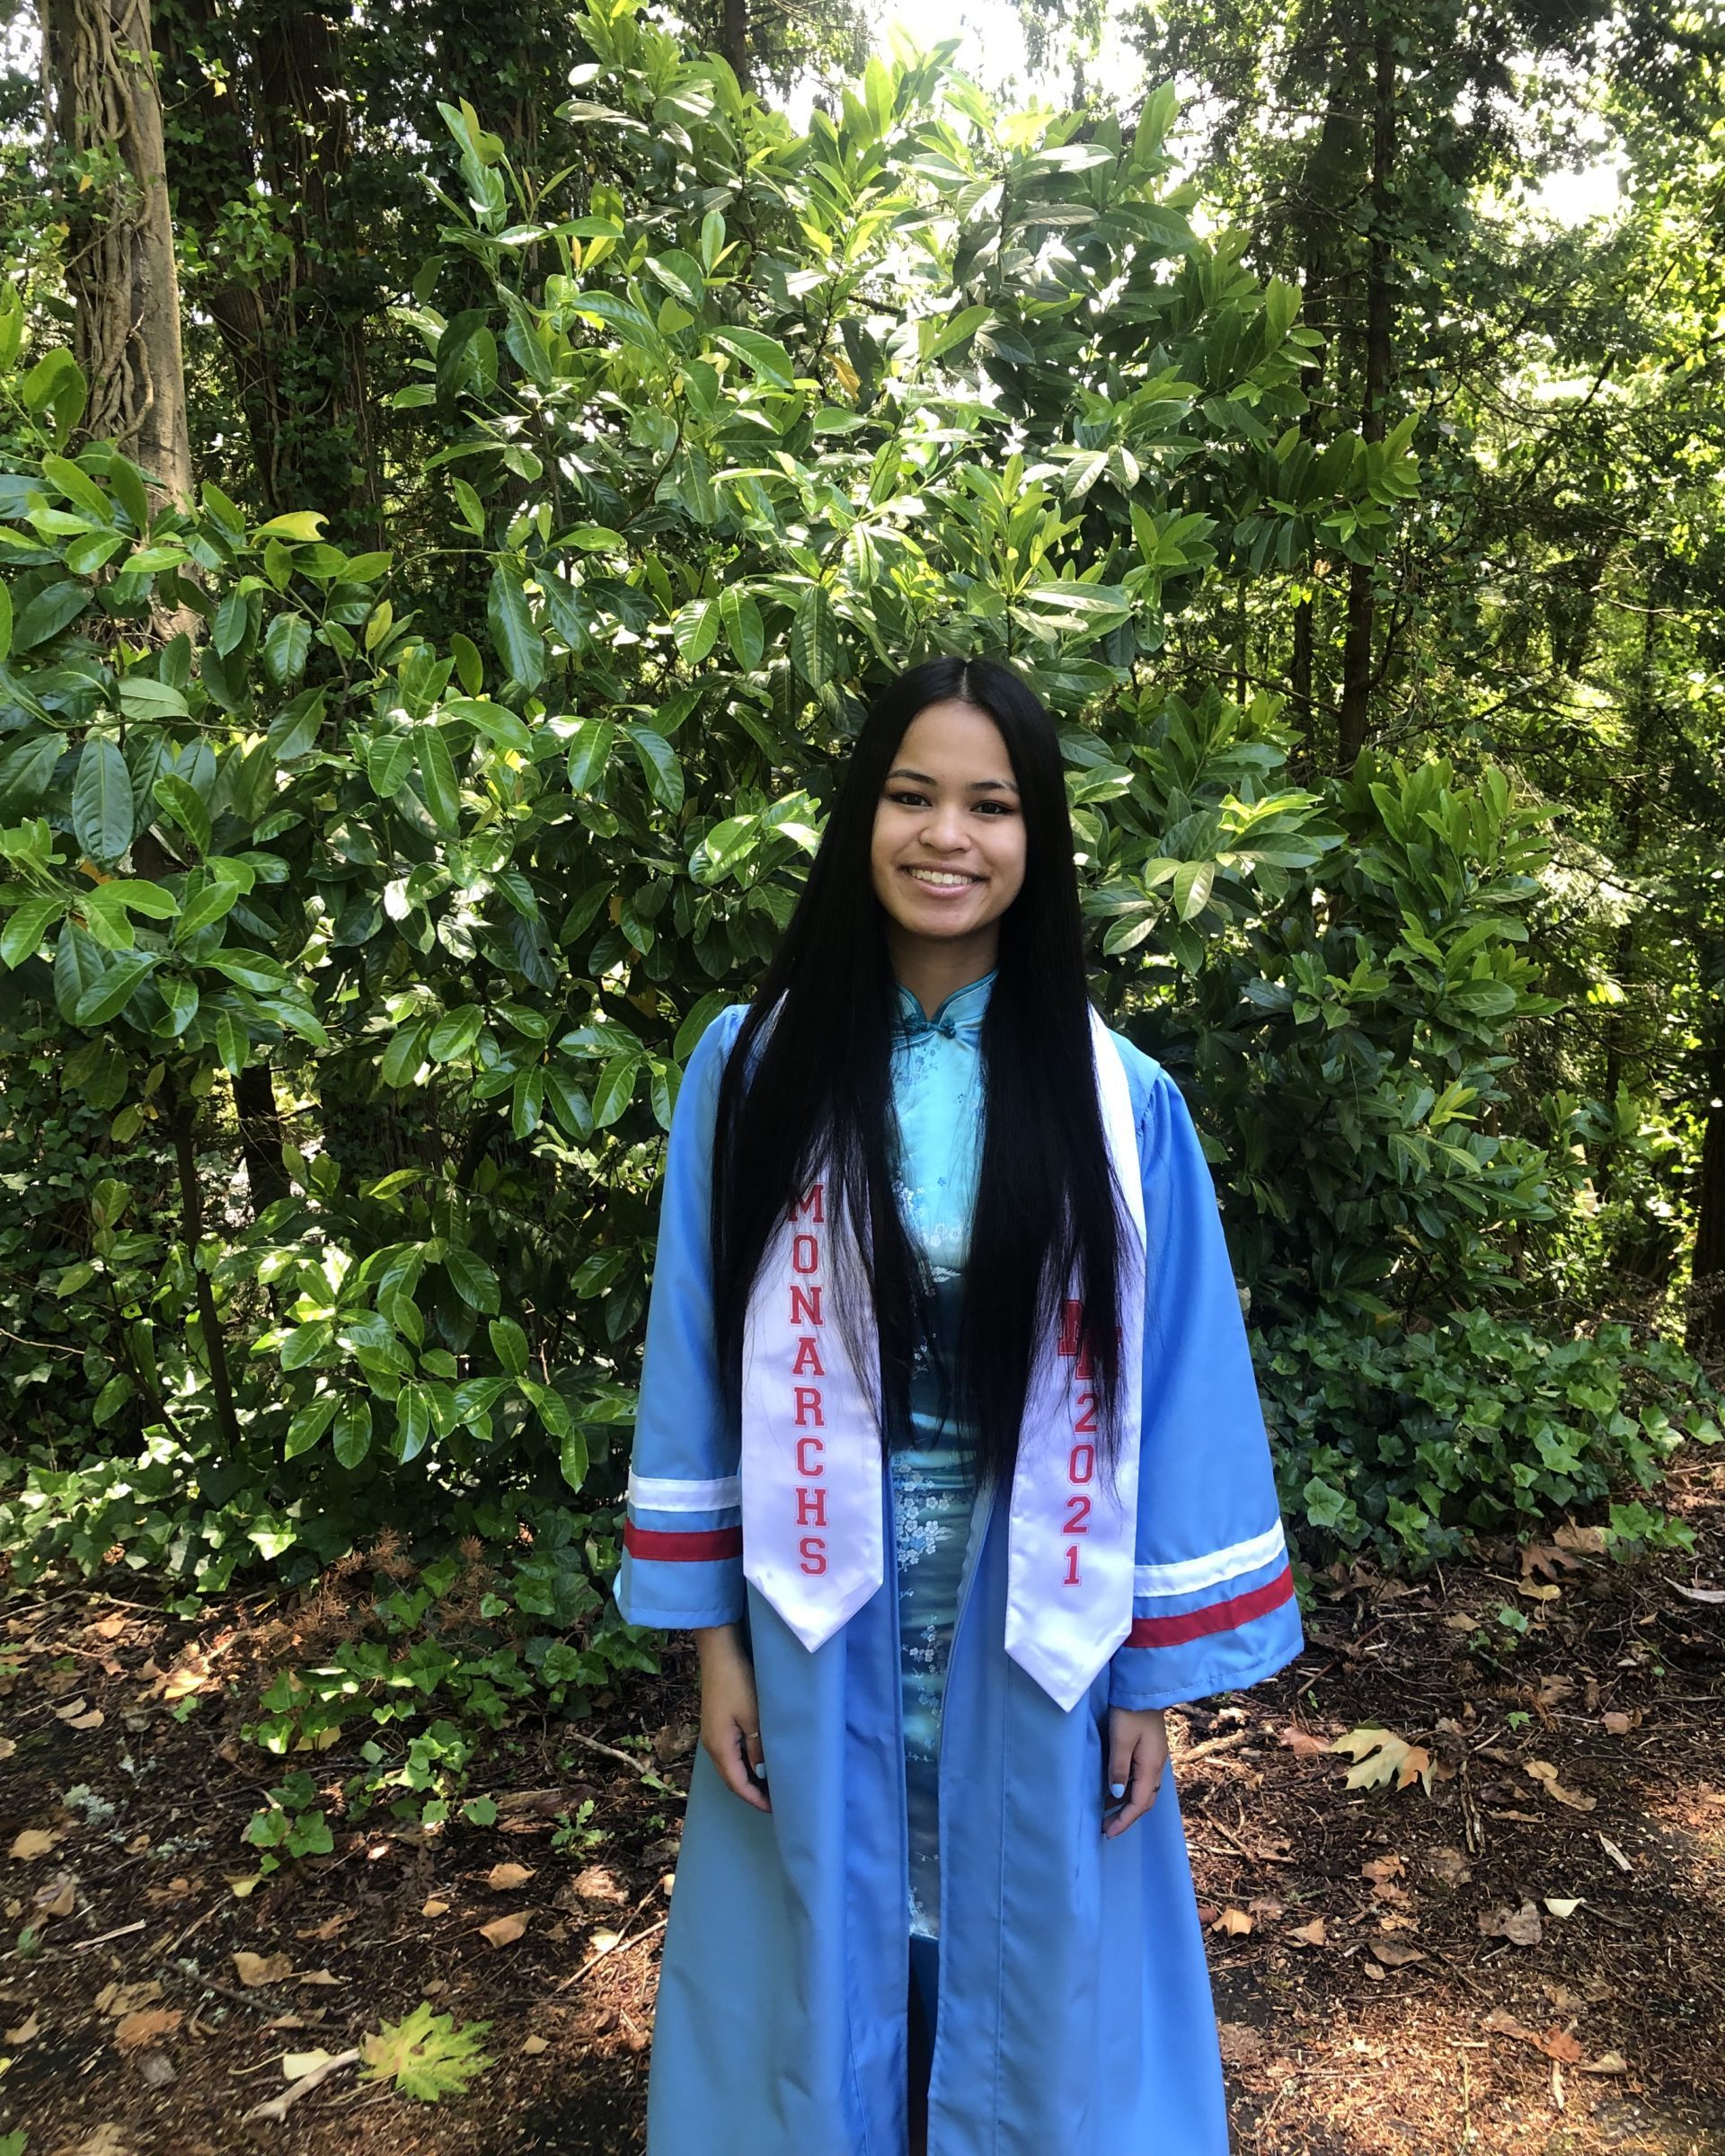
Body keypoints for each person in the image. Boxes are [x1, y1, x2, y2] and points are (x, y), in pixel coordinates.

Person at [614, 655, 1305, 2156]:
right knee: (823, 1896)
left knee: (1027, 1911)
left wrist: (1147, 1681)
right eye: (913, 795)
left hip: (1030, 1591)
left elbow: (1175, 1380)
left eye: (991, 805)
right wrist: (714, 1647)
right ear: (863, 815)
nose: (949, 836)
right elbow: (694, 1354)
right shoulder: (753, 1069)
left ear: (1036, 840)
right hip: (822, 1591)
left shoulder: (1118, 1102)